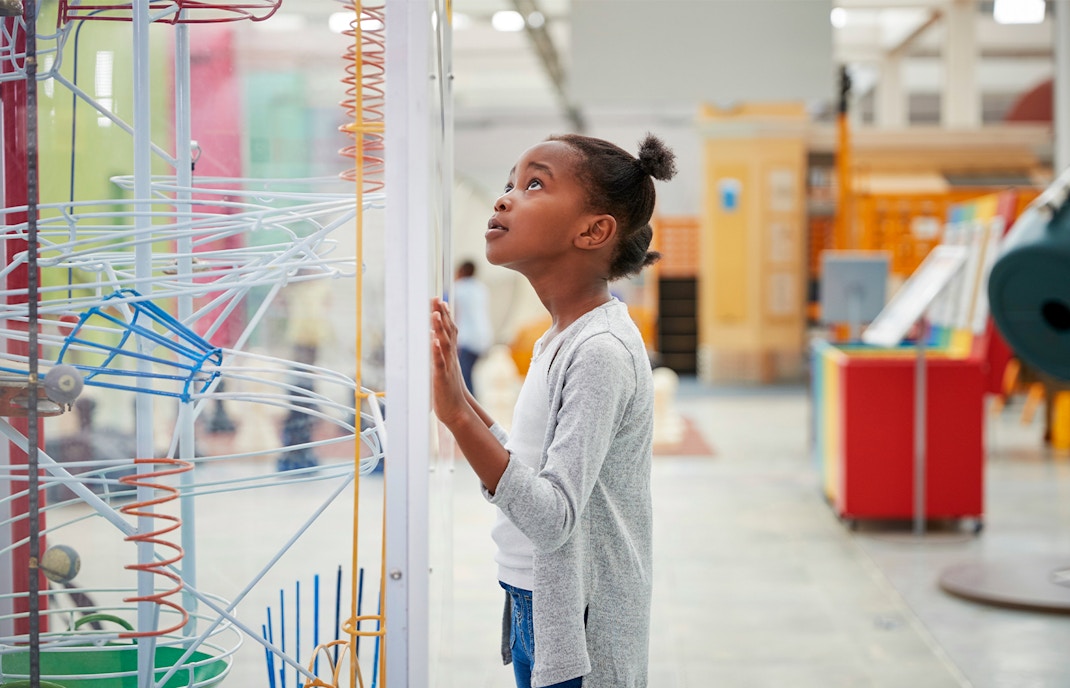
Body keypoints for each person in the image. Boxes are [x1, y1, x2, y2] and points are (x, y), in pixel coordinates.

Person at [431, 133, 677, 688]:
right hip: (539, 605)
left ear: (593, 231)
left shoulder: (600, 352)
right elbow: (529, 464)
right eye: (509, 184)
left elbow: (552, 517)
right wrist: (455, 391)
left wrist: (457, 417)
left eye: (534, 184)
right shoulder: (561, 337)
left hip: (580, 632)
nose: (505, 199)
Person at [452, 259, 493, 395]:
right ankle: (474, 404)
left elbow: (454, 314)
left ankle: (471, 407)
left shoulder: (458, 289)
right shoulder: (481, 288)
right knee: (470, 375)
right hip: (483, 337)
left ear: (461, 271)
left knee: (464, 378)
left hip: (466, 339)